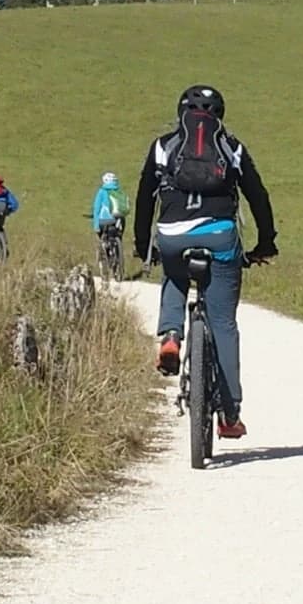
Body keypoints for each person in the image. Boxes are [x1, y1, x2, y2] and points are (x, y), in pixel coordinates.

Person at [134, 85, 278, 440]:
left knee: (174, 274)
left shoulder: (162, 145)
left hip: (172, 234)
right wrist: (266, 243)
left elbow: (142, 198)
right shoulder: (233, 148)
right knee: (224, 323)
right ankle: (230, 414)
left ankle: (170, 336)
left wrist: (142, 244)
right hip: (221, 237)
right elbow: (258, 196)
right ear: (220, 115)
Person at [91, 171, 128, 238]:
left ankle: (104, 243)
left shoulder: (102, 191)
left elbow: (96, 209)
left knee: (102, 234)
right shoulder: (119, 191)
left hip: (104, 220)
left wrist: (96, 226)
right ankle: (119, 239)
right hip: (118, 219)